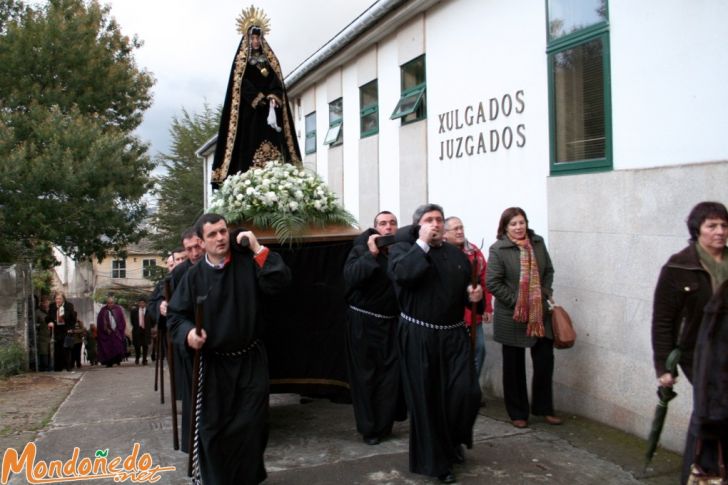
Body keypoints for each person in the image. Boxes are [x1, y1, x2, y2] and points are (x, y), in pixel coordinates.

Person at [168, 213, 291, 484]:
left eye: (223, 231)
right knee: (213, 431)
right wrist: (189, 334)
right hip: (213, 365)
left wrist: (258, 248)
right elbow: (176, 317)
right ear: (201, 242)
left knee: (252, 428)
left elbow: (279, 282)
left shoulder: (248, 263)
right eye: (212, 234)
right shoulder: (193, 277)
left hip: (249, 360)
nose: (220, 238)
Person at [388, 203, 483, 484]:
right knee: (428, 402)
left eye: (439, 219)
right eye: (429, 220)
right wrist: (422, 245)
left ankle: (453, 439)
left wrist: (472, 295)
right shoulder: (402, 251)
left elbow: (463, 292)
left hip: (454, 335)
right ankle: (438, 462)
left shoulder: (457, 255)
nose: (436, 224)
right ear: (419, 226)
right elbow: (404, 275)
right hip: (419, 336)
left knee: (466, 393)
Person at [651, 201, 728, 483]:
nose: (720, 232)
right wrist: (663, 367)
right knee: (710, 411)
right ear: (698, 230)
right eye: (712, 226)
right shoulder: (678, 266)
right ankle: (699, 472)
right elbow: (662, 321)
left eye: (724, 225)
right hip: (698, 354)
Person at [210, 6, 301, 188]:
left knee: (273, 140)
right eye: (252, 37)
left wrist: (274, 96)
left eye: (258, 37)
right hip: (251, 113)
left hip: (270, 112)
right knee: (249, 144)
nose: (256, 41)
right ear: (247, 39)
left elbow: (277, 83)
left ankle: (276, 173)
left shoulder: (270, 61)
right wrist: (258, 99)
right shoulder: (241, 62)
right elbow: (240, 84)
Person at [486, 207, 560, 429]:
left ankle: (544, 407)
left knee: (545, 361)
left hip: (539, 313)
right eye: (513, 224)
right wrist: (518, 302)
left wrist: (543, 292)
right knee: (514, 366)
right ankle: (518, 412)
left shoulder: (537, 242)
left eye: (521, 222)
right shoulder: (498, 249)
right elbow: (493, 282)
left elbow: (548, 270)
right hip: (512, 316)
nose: (519, 227)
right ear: (505, 227)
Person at [343, 210, 405, 446]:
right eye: (383, 223)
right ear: (375, 227)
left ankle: (385, 424)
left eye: (392, 223)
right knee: (366, 376)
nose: (388, 227)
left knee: (390, 376)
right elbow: (350, 277)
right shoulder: (360, 249)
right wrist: (371, 253)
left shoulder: (401, 251)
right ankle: (369, 428)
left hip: (391, 323)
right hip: (363, 323)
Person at [444, 216, 494, 381]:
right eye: (455, 229)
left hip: (473, 314)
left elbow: (484, 281)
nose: (460, 231)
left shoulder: (474, 252)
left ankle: (472, 388)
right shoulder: (441, 253)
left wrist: (486, 307)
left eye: (461, 227)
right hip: (451, 316)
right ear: (445, 233)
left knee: (478, 350)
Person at [46, 292, 76, 372]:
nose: (58, 300)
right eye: (56, 299)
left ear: (63, 299)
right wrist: (50, 322)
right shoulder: (52, 306)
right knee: (57, 349)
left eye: (59, 299)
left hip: (66, 330)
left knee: (66, 348)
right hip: (56, 330)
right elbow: (48, 317)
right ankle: (58, 367)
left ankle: (67, 367)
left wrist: (71, 328)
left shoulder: (69, 306)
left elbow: (73, 319)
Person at [96, 295, 127, 367]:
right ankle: (109, 362)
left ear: (114, 303)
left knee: (117, 347)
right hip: (107, 334)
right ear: (106, 303)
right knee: (107, 348)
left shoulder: (118, 309)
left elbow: (122, 321)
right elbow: (100, 322)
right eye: (108, 303)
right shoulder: (103, 311)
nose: (110, 304)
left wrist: (119, 329)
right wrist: (106, 329)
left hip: (116, 333)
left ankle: (117, 360)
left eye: (111, 303)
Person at [131, 297, 152, 365]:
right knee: (137, 345)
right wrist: (137, 326)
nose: (142, 304)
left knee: (145, 345)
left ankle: (144, 359)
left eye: (143, 303)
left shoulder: (149, 311)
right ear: (138, 303)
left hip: (146, 330)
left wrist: (150, 327)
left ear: (145, 304)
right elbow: (132, 321)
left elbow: (152, 321)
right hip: (137, 329)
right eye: (140, 303)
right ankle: (137, 358)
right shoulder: (134, 311)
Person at [35, 295, 51, 371]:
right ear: (41, 303)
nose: (46, 304)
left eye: (47, 303)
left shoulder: (51, 311)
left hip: (51, 336)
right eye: (45, 303)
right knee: (43, 354)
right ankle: (44, 368)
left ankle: (50, 368)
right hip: (42, 337)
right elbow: (34, 324)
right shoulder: (38, 312)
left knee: (50, 354)